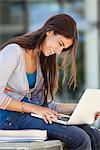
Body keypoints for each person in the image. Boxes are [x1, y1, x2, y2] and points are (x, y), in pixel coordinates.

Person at [0, 13, 100, 150]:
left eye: (63, 48)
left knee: (94, 135)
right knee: (80, 138)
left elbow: (42, 105)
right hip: (6, 118)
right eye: (60, 44)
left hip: (25, 115)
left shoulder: (41, 61)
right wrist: (34, 108)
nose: (59, 52)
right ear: (49, 32)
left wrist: (79, 109)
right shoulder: (13, 51)